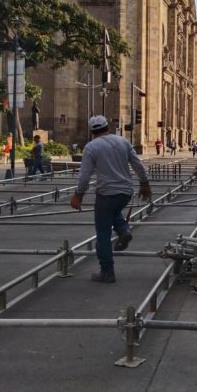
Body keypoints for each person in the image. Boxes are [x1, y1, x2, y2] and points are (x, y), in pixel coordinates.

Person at [70, 116, 152, 283]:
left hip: (106, 193)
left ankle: (107, 271)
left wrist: (78, 195)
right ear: (108, 127)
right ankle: (123, 229)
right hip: (126, 192)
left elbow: (85, 175)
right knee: (113, 213)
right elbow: (137, 164)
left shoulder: (91, 147)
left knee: (103, 233)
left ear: (92, 131)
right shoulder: (123, 141)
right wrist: (144, 183)